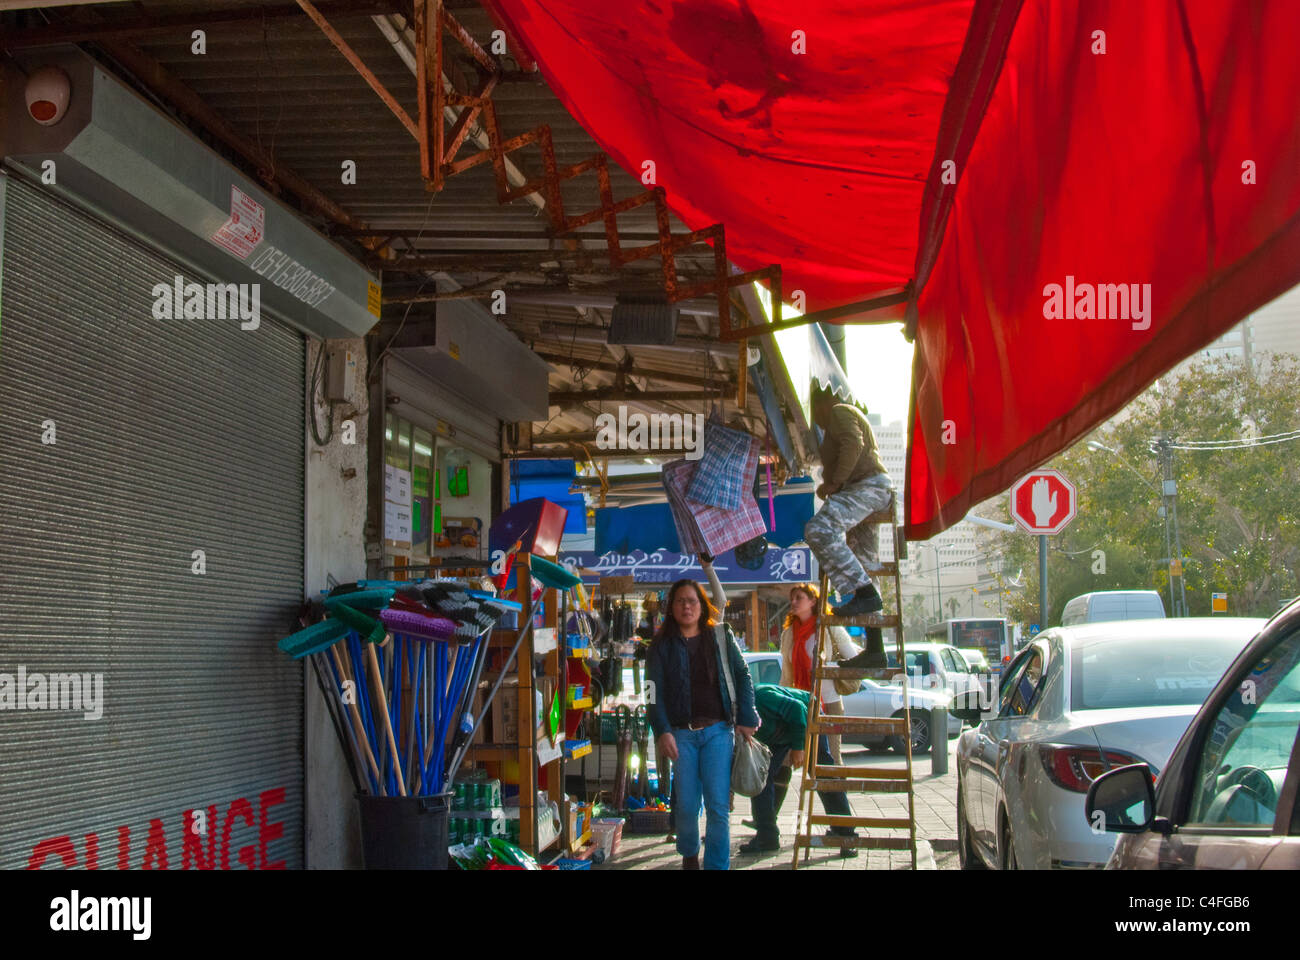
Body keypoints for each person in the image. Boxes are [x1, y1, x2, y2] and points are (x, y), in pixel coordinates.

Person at [646, 574, 759, 870]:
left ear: (702, 605)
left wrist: (747, 717)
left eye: (692, 601)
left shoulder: (720, 636)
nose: (687, 607)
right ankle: (688, 853)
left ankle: (716, 866)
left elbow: (743, 675)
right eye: (681, 601)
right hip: (680, 735)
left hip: (718, 732)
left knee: (718, 806)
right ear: (672, 607)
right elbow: (651, 692)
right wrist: (662, 731)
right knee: (685, 806)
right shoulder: (660, 645)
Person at [803, 389, 894, 662]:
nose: (815, 421)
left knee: (817, 530)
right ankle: (876, 649)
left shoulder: (839, 411)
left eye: (813, 410)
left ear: (820, 403)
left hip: (868, 487)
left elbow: (853, 443)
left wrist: (835, 483)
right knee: (864, 564)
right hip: (869, 490)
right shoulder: (836, 419)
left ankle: (863, 592)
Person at [739, 683, 858, 857]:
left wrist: (798, 748)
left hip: (807, 717)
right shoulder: (731, 719)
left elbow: (798, 710)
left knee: (823, 775)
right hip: (778, 732)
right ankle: (767, 836)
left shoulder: (762, 698)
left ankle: (845, 833)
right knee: (761, 778)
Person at [779, 582, 861, 765]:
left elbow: (853, 659)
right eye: (792, 598)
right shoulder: (788, 635)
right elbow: (786, 673)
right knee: (787, 759)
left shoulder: (829, 626)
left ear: (813, 601)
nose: (793, 602)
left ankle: (837, 792)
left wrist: (825, 668)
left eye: (799, 598)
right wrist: (781, 699)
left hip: (829, 703)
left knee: (831, 761)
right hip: (801, 704)